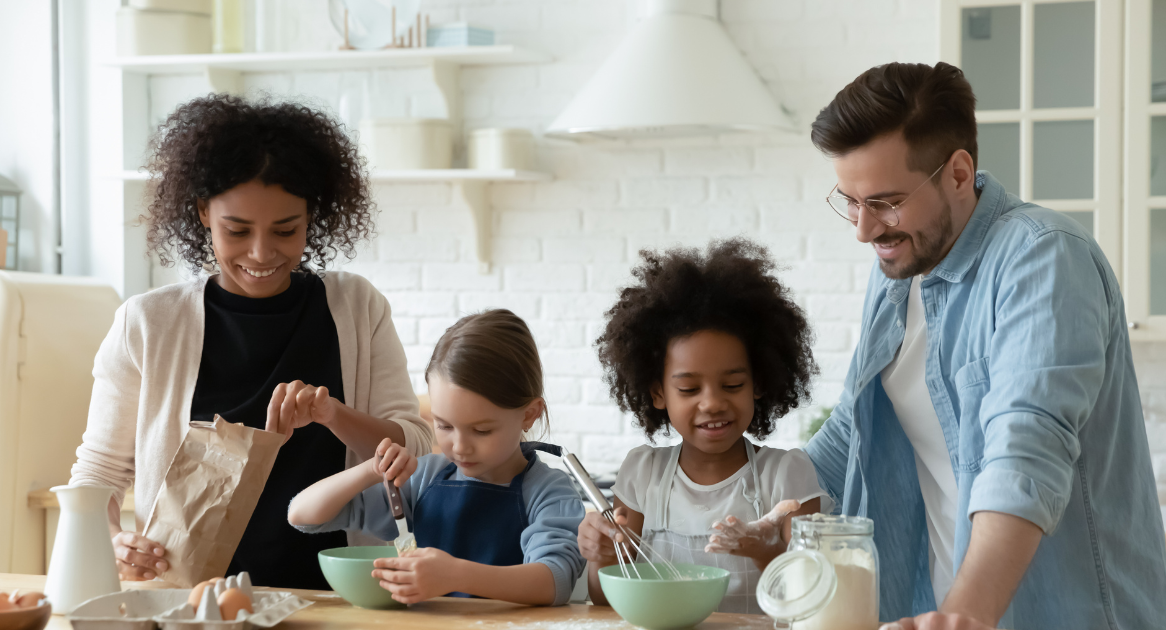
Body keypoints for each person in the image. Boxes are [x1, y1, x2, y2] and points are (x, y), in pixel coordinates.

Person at [797, 62, 1166, 628]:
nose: (864, 230)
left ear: (959, 172)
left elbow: (1025, 447)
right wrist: (757, 497)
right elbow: (852, 429)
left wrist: (964, 615)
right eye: (850, 200)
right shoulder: (899, 266)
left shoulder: (1044, 257)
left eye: (885, 202)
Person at [68, 94, 434, 590]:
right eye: (236, 230)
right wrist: (110, 537)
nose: (261, 253)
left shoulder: (356, 307)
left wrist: (333, 414)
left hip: (335, 599)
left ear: (312, 216)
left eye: (286, 230)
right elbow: (98, 471)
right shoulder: (149, 324)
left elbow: (413, 445)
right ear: (202, 212)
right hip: (191, 600)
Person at [576, 238, 830, 614]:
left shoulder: (786, 476)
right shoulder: (643, 474)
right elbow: (605, 596)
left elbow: (812, 597)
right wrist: (599, 554)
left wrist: (769, 553)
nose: (711, 402)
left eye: (732, 385)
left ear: (758, 383)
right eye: (689, 388)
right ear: (658, 392)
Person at [288, 309, 586, 606]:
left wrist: (456, 575)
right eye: (444, 425)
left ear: (529, 415)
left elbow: (554, 582)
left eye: (481, 430)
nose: (459, 447)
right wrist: (371, 468)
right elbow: (303, 516)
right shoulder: (423, 478)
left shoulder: (549, 491)